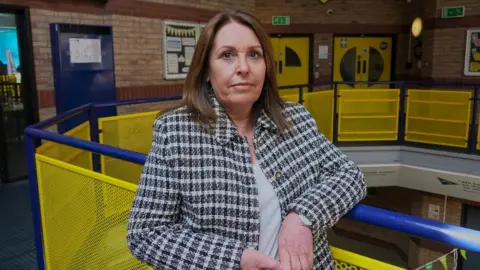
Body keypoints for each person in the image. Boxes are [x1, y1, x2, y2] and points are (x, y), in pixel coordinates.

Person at [127, 10, 366, 270]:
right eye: (227, 55)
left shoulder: (295, 118)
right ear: (206, 70)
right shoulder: (175, 133)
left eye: (254, 54)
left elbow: (349, 174)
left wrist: (304, 216)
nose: (243, 67)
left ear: (266, 67)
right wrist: (235, 260)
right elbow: (146, 233)